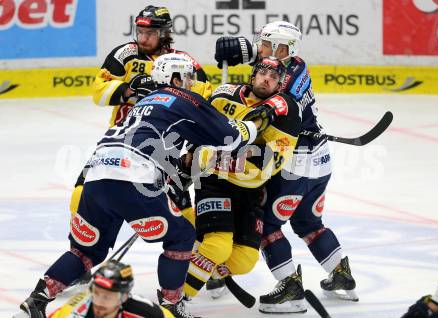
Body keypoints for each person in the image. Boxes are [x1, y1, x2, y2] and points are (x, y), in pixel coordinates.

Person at [18, 53, 274, 318]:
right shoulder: (183, 98)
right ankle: (172, 306)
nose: (192, 83)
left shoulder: (142, 103)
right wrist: (255, 124)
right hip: (133, 177)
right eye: (188, 78)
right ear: (175, 79)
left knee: (84, 251)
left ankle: (36, 299)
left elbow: (160, 147)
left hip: (96, 177)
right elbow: (229, 136)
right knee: (181, 236)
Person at [212, 21, 358, 313]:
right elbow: (265, 65)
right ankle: (341, 276)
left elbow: (267, 104)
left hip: (294, 165)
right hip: (320, 162)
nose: (260, 49)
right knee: (309, 223)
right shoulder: (295, 63)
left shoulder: (284, 86)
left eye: (266, 45)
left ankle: (290, 290)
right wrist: (239, 48)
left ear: (281, 49)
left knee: (266, 225)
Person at [69, 4, 212, 217]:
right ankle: (83, 241)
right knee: (82, 191)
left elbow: (204, 96)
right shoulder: (126, 54)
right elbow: (98, 91)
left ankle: (187, 244)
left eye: (150, 33)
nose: (143, 39)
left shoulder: (183, 62)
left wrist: (167, 93)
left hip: (165, 142)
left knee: (176, 203)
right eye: (140, 32)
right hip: (120, 139)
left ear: (164, 34)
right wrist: (129, 91)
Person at [182, 58, 303, 300]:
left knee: (245, 260)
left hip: (250, 191)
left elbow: (262, 169)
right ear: (253, 75)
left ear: (280, 85)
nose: (267, 79)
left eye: (274, 77)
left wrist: (206, 154)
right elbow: (194, 124)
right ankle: (175, 298)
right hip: (215, 182)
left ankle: (203, 264)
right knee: (218, 246)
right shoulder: (224, 94)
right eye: (262, 73)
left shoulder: (287, 114)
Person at [47, 260, 175, 318]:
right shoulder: (72, 314)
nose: (99, 302)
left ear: (124, 297)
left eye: (107, 297)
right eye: (96, 294)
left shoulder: (148, 313)